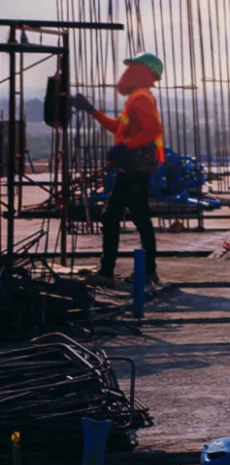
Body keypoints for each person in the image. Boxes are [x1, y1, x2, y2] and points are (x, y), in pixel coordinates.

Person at [70, 53, 168, 288]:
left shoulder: (142, 97)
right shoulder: (136, 97)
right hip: (135, 166)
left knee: (113, 215)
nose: (126, 73)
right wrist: (92, 111)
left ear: (144, 72)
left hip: (135, 166)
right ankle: (147, 272)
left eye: (132, 68)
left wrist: (126, 146)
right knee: (139, 216)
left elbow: (152, 129)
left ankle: (108, 272)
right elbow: (119, 128)